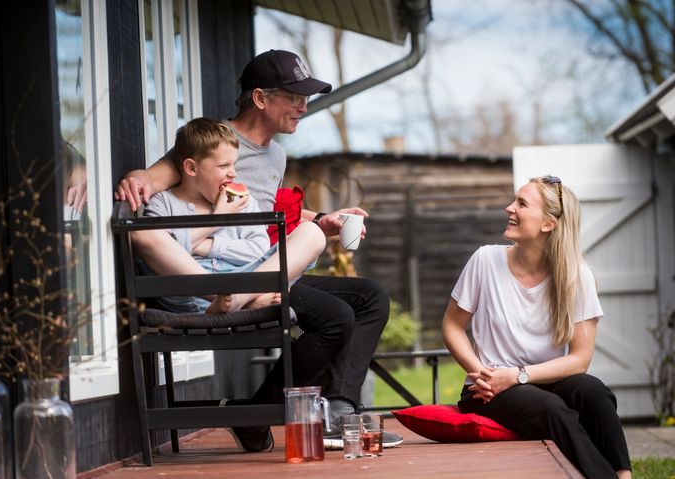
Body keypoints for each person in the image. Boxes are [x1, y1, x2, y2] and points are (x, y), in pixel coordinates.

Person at [116, 49, 401, 451]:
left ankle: (336, 406)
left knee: (371, 297)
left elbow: (265, 214)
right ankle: (267, 413)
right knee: (335, 315)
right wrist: (136, 178)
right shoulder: (215, 140)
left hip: (262, 261)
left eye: (306, 98)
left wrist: (323, 219)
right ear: (261, 99)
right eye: (294, 97)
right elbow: (158, 179)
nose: (303, 107)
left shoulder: (275, 155)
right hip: (217, 275)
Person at [442, 175, 631, 479]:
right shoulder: (485, 260)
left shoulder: (577, 276)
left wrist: (518, 376)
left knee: (594, 392)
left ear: (547, 224)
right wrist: (482, 375)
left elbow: (580, 359)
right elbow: (452, 326)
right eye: (513, 200)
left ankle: (624, 475)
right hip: (489, 391)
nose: (509, 208)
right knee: (552, 408)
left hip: (537, 380)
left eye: (521, 203)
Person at [141, 117, 325, 314]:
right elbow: (161, 252)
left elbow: (258, 251)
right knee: (143, 233)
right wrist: (218, 218)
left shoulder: (241, 200)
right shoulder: (162, 203)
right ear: (192, 168)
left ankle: (240, 299)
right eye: (223, 166)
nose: (233, 174)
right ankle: (242, 301)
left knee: (313, 233)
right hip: (192, 293)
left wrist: (201, 245)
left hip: (246, 281)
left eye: (234, 164)